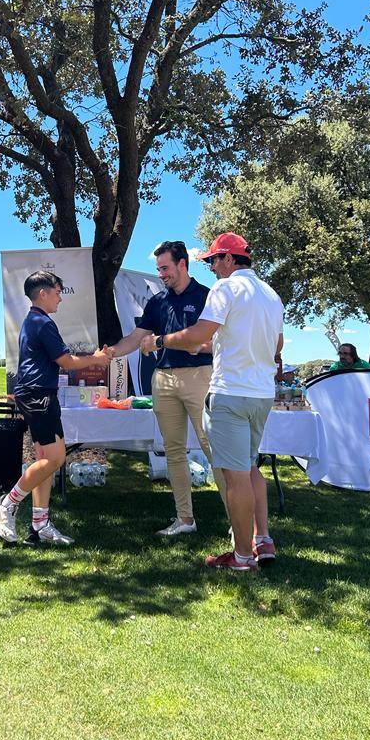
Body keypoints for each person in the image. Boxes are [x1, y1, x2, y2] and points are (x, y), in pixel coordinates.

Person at [141, 232, 284, 571]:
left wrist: (160, 340)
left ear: (230, 260)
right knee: (250, 469)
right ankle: (262, 540)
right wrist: (212, 346)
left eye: (214, 260)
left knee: (234, 477)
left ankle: (242, 556)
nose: (212, 267)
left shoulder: (226, 288)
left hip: (230, 392)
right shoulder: (270, 294)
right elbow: (275, 346)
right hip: (261, 394)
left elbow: (197, 334)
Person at [105, 240, 225, 537]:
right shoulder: (157, 302)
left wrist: (198, 345)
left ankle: (238, 520)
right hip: (164, 380)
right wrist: (112, 352)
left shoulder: (208, 297)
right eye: (158, 268)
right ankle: (185, 519)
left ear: (183, 264)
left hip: (201, 377)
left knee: (215, 451)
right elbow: (137, 337)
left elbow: (221, 342)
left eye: (165, 268)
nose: (161, 274)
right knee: (173, 451)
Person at [0, 270, 110, 546]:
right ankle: (6, 505)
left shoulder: (35, 321)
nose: (60, 299)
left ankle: (39, 525)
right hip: (38, 396)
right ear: (42, 293)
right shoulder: (42, 322)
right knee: (55, 459)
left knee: (45, 461)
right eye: (57, 292)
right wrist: (97, 358)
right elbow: (66, 362)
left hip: (39, 395)